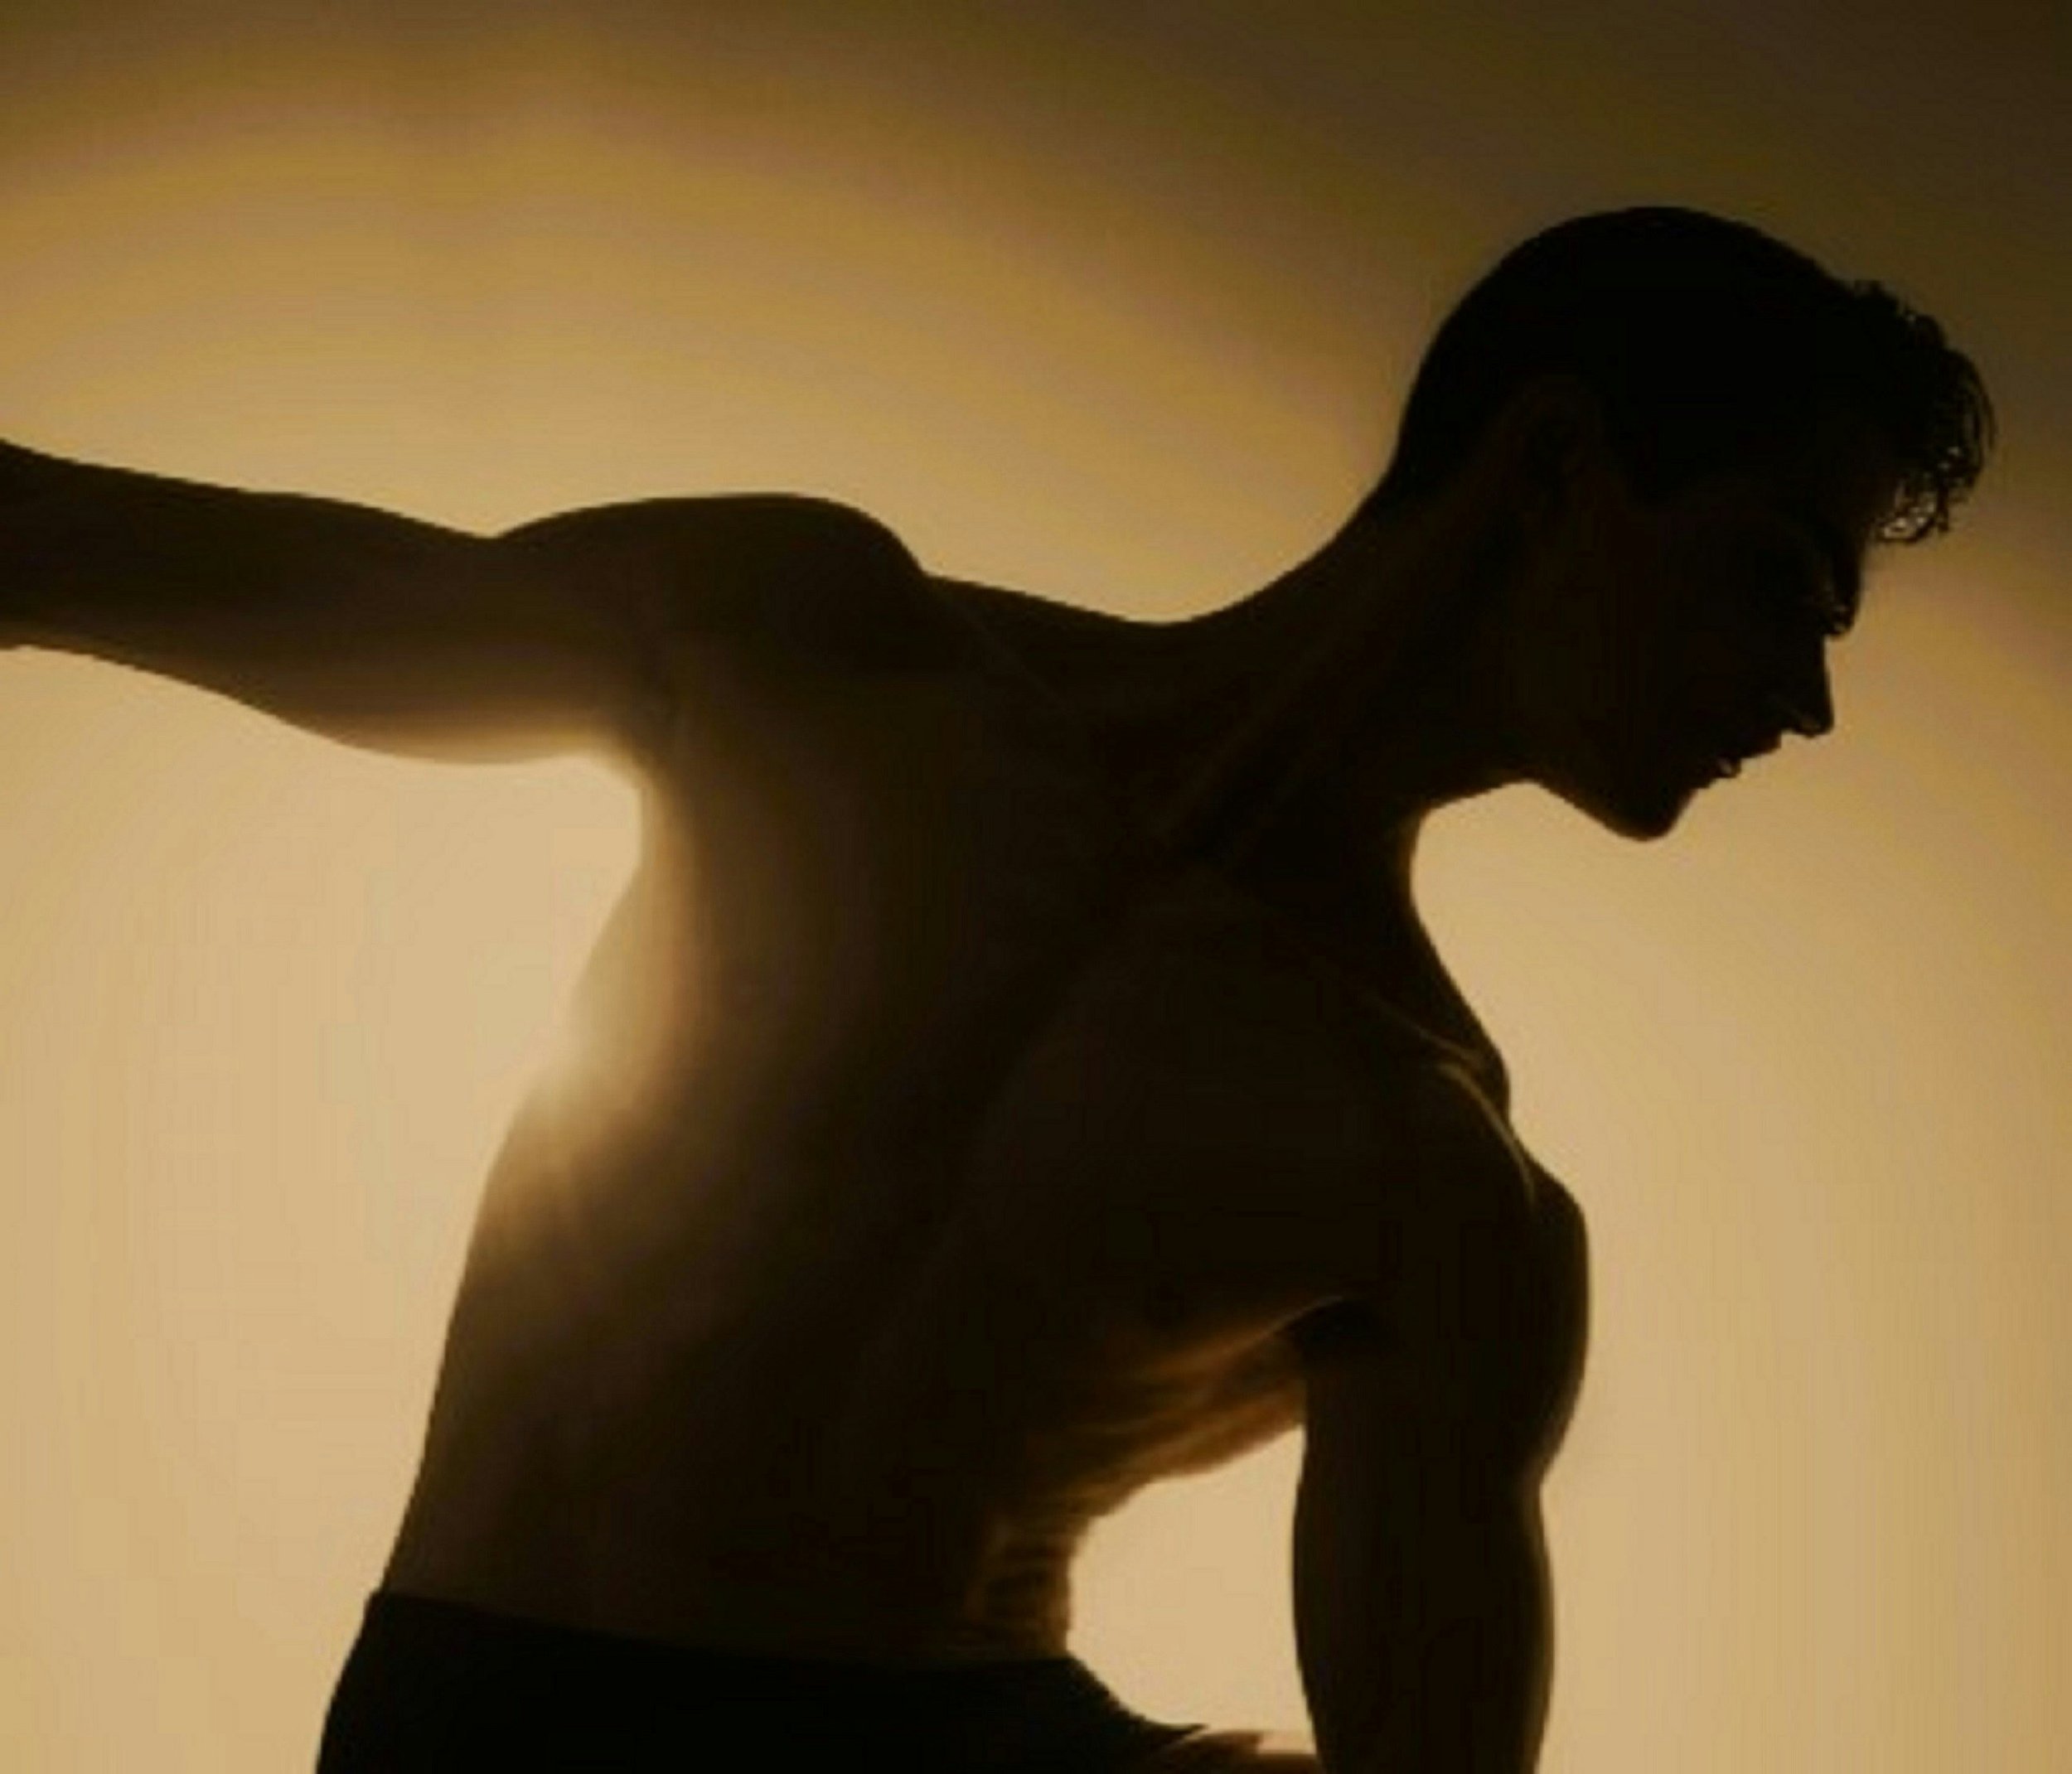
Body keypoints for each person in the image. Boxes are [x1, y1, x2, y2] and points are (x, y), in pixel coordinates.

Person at [0, 207, 1990, 1772]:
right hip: (490, 1705)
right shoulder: (810, 659)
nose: (1805, 699)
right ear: (1553, 465)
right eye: (1776, 581)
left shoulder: (1438, 1175)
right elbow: (69, 543)